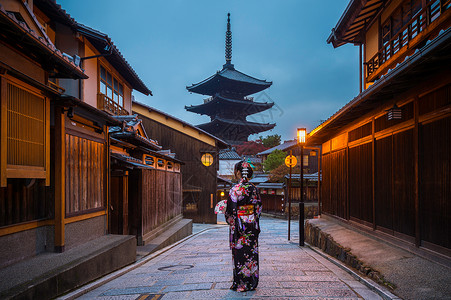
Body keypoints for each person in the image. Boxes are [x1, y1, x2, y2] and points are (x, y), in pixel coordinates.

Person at [225, 160, 262, 292]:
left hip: (239, 227)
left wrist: (231, 220)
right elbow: (258, 209)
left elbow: (230, 212)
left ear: (239, 172)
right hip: (251, 226)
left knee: (240, 254)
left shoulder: (234, 190)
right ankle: (251, 282)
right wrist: (252, 220)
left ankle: (240, 283)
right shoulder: (255, 189)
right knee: (251, 253)